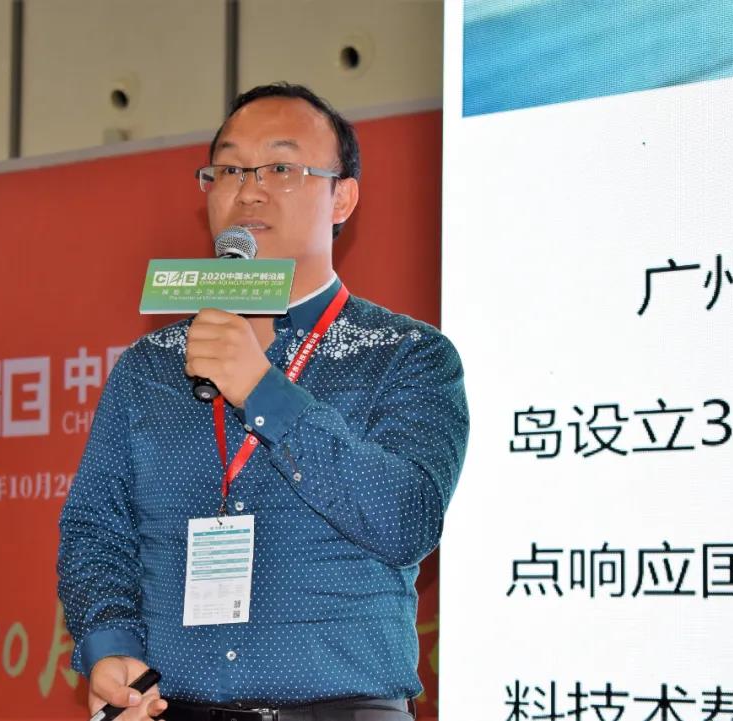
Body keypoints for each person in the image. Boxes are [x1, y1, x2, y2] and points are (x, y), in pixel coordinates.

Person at [57, 82, 468, 721]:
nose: (248, 190)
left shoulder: (407, 354)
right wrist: (111, 646)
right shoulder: (149, 367)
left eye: (281, 168)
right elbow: (95, 527)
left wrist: (263, 391)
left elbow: (406, 520)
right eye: (228, 170)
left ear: (342, 197)